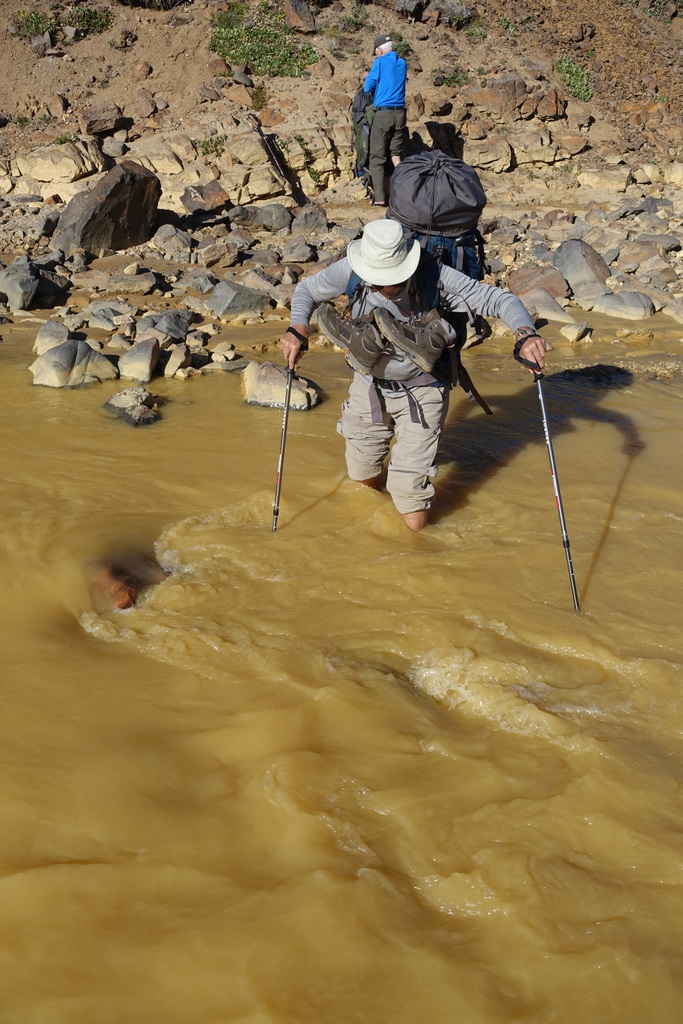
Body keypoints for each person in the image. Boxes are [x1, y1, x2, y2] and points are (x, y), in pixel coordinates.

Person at [279, 219, 546, 532]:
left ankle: (417, 555)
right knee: (361, 477)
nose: (375, 286)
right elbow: (307, 289)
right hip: (369, 386)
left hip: (422, 391)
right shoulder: (354, 270)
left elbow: (502, 300)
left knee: (408, 494)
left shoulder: (436, 277)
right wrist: (297, 326)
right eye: (372, 281)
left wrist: (526, 334)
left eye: (383, 282)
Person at [363, 34, 407, 206]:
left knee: (377, 157)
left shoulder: (379, 62)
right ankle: (404, 192)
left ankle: (380, 197)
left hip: (383, 115)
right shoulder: (403, 63)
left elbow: (368, 87)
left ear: (380, 50)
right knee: (396, 156)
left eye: (376, 52)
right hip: (400, 114)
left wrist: (369, 76)